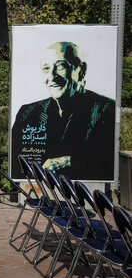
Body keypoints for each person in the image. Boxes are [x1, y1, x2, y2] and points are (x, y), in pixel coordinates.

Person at [11, 41, 115, 180]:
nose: (52, 77)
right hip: (41, 191)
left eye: (60, 66)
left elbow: (107, 159)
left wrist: (70, 161)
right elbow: (16, 162)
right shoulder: (28, 113)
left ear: (81, 70)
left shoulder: (106, 109)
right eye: (46, 68)